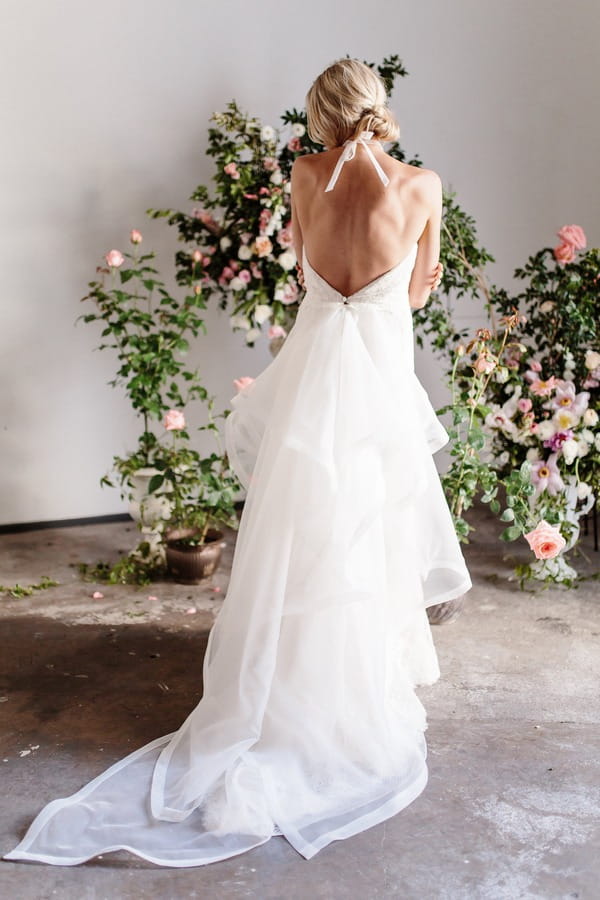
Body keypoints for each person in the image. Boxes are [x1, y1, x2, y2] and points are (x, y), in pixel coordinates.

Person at [3, 58, 472, 868]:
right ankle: (356, 681)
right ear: (380, 108)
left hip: (315, 378)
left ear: (320, 115)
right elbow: (419, 292)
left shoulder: (302, 176)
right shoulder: (423, 186)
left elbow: (307, 274)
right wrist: (396, 281)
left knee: (302, 533)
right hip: (378, 387)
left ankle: (290, 682)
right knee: (369, 523)